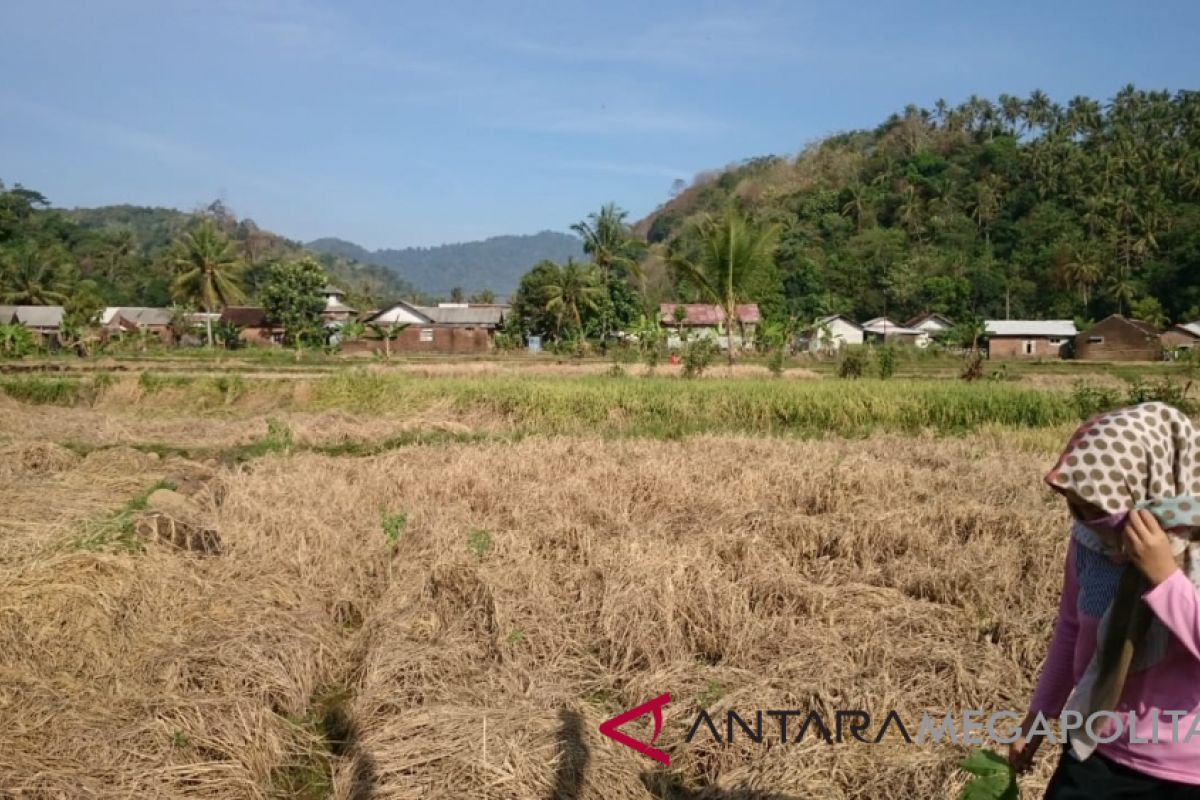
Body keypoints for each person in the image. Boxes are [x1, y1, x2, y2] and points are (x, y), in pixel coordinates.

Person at [1009, 402, 1200, 799]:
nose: (1086, 519)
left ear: (1148, 487)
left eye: (1098, 509)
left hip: (1184, 772)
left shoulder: (1193, 554)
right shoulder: (1090, 544)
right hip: (1095, 748)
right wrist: (1037, 719)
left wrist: (1164, 576)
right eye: (1076, 505)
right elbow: (1069, 631)